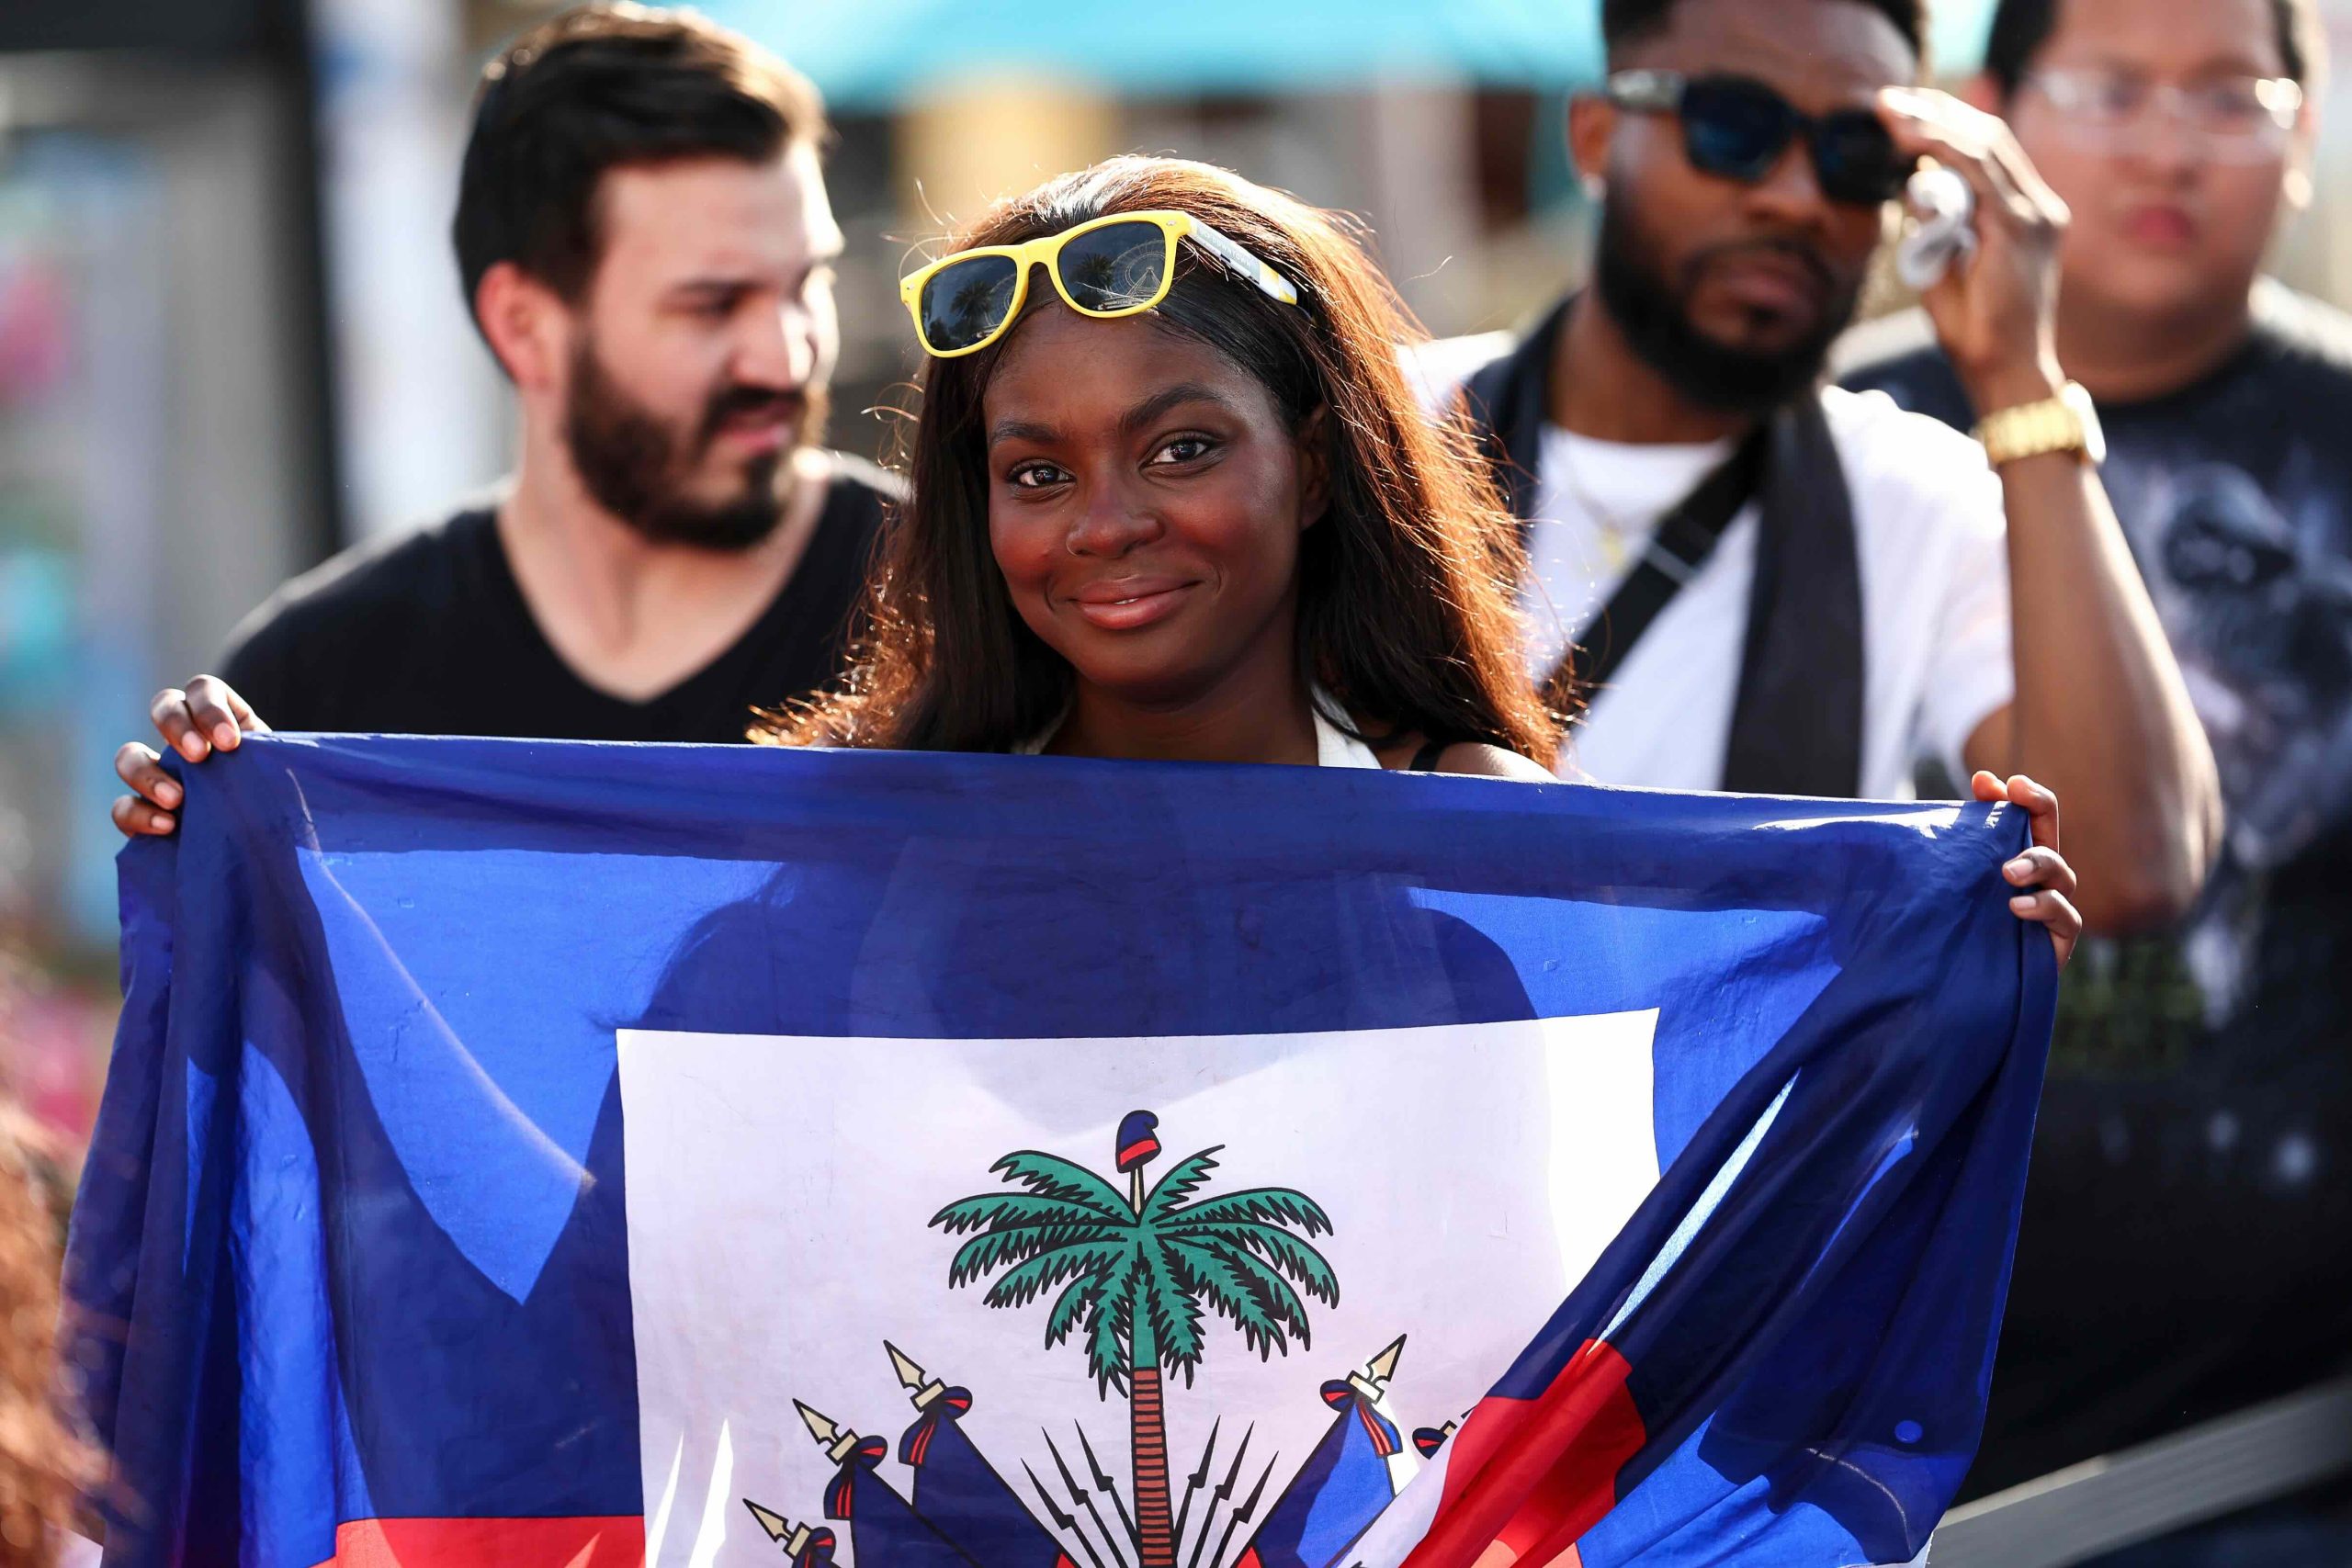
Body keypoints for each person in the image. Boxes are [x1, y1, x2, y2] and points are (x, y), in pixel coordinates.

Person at [113, 151, 2088, 973]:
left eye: (1180, 444)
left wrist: (1931, 931)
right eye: (1032, 467)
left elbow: (1625, 1280)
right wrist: (249, 824)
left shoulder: (1482, 838)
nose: (1105, 522)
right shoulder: (832, 878)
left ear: (1314, 468)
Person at [1838, 0, 2352, 1538]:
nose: (2166, 142)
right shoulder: (1841, 440)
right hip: (1857, 1424)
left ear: (2306, 134)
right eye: (2111, 87)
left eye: (2229, 96)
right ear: (1988, 114)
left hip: (2288, 1439)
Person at [1415, 0, 2219, 939]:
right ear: (1594, 137)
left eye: (1853, 155)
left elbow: (2128, 868)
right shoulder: (1380, 431)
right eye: (1733, 126)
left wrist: (2020, 381)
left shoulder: (1914, 498)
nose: (1796, 197)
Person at [109, 3, 894, 838]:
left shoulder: (962, 606)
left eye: (808, 282)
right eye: (712, 304)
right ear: (525, 326)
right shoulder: (316, 688)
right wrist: (204, 827)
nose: (787, 358)